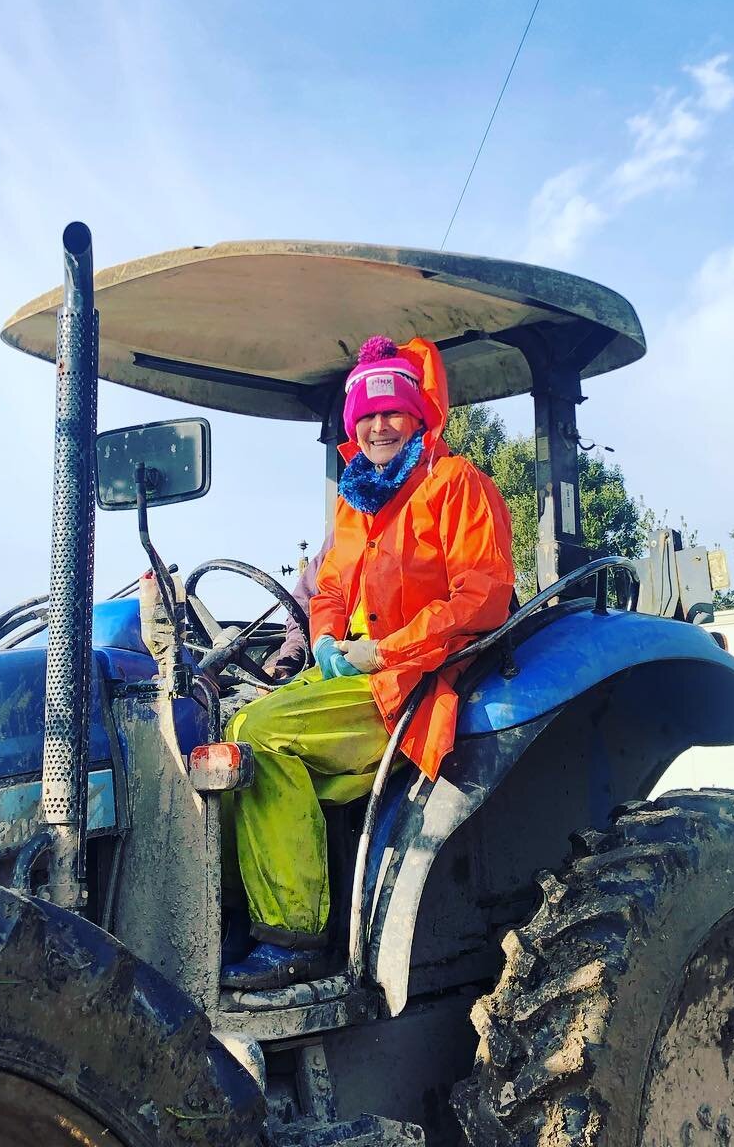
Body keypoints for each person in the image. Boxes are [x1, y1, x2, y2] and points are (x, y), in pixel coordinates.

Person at [221, 334, 515, 990]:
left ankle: (293, 938)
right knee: (223, 728)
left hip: (417, 682)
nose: (380, 425)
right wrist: (324, 639)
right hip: (354, 674)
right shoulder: (357, 500)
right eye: (367, 416)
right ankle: (233, 916)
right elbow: (328, 590)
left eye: (392, 412)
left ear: (418, 415)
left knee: (260, 735)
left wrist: (385, 648)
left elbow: (483, 596)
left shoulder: (454, 484)